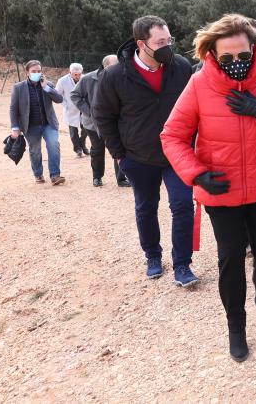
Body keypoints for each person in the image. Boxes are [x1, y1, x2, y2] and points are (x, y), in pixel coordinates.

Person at [160, 14, 256, 362]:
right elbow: (172, 136)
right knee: (230, 256)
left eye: (243, 56)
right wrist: (196, 174)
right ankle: (236, 326)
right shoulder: (200, 84)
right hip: (222, 189)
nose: (236, 64)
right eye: (226, 58)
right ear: (212, 55)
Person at [94, 15, 199, 287]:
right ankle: (153, 256)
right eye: (160, 42)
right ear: (142, 44)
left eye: (169, 40)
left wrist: (194, 142)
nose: (168, 47)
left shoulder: (181, 67)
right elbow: (103, 116)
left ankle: (182, 264)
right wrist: (119, 154)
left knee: (183, 206)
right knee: (145, 208)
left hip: (177, 153)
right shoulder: (115, 75)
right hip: (137, 157)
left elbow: (195, 107)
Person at [71, 54, 129, 187]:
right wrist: (89, 111)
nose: (117, 68)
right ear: (105, 66)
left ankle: (121, 178)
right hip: (93, 123)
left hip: (116, 121)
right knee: (97, 149)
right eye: (114, 65)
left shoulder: (122, 77)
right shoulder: (88, 78)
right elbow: (74, 95)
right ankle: (97, 177)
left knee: (119, 148)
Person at [9, 60, 65, 185]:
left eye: (39, 71)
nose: (37, 73)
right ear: (27, 73)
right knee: (35, 151)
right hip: (30, 126)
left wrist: (46, 88)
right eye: (33, 71)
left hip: (48, 124)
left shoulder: (47, 84)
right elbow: (13, 108)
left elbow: (59, 99)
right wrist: (15, 127)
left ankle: (55, 175)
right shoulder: (18, 88)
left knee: (53, 145)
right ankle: (38, 174)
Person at [56, 63, 90, 159]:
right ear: (70, 72)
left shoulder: (85, 79)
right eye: (75, 74)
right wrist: (65, 105)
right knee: (73, 132)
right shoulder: (62, 81)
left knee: (86, 129)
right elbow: (58, 94)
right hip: (70, 110)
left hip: (84, 108)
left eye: (79, 74)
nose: (77, 76)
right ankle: (78, 149)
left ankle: (82, 145)